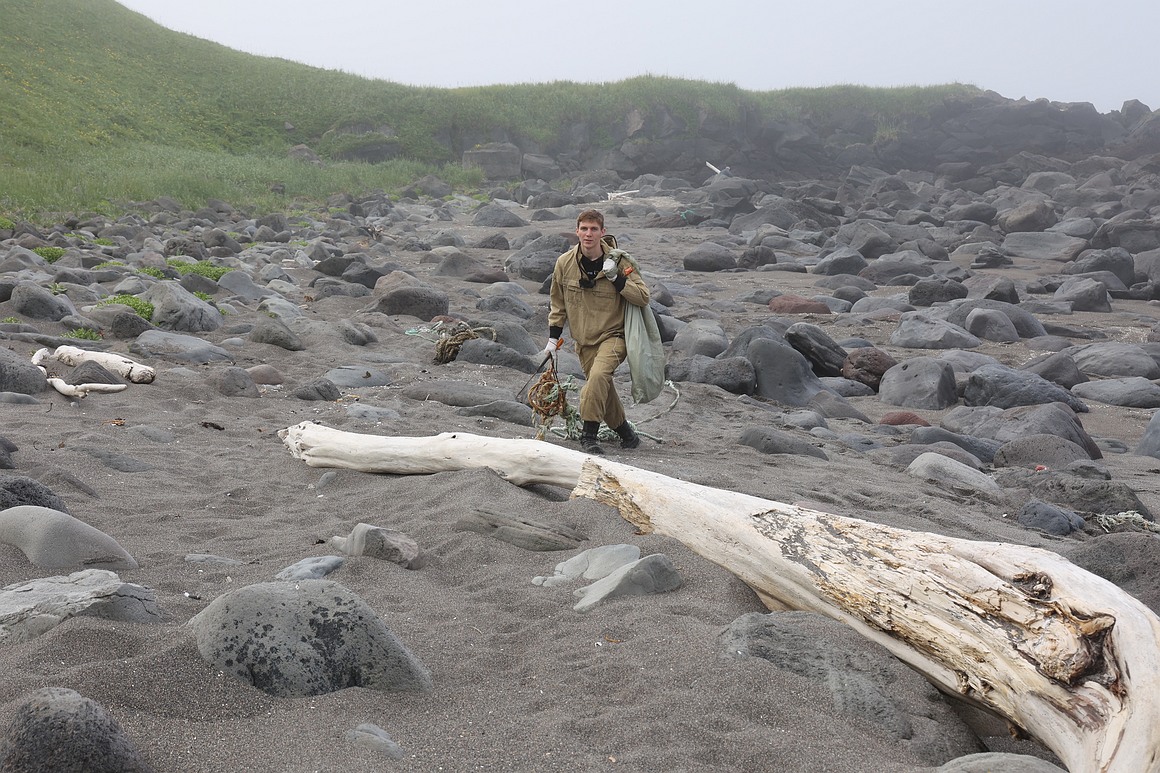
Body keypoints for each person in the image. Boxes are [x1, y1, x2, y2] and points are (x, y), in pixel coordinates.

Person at [544, 209, 650, 455]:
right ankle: (626, 433)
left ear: (603, 232)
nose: (588, 234)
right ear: (577, 231)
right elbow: (557, 305)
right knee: (601, 386)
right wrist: (552, 340)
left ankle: (588, 435)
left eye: (594, 229)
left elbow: (643, 297)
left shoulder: (621, 262)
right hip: (583, 341)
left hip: (614, 336)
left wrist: (617, 278)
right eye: (584, 229)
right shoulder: (564, 263)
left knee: (599, 377)